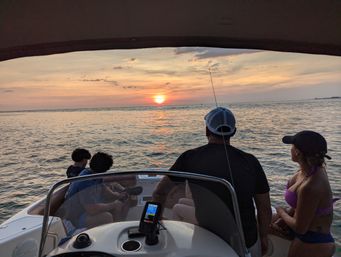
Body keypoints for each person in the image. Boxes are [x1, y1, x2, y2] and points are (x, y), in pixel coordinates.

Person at [153, 107, 272, 257]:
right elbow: (264, 208)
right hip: (247, 242)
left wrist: (155, 221)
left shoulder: (189, 158)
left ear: (206, 130)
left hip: (207, 241)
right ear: (233, 132)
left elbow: (159, 192)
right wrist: (264, 237)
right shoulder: (251, 161)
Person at [273, 131, 336, 257]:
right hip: (305, 235)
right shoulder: (309, 170)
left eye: (292, 146)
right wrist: (284, 218)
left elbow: (300, 227)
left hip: (313, 242)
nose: (290, 149)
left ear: (297, 152)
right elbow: (303, 206)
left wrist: (281, 212)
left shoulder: (311, 186)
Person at [64, 152, 129, 229]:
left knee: (119, 204)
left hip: (89, 209)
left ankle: (119, 228)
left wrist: (118, 195)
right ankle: (112, 233)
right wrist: (114, 204)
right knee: (106, 217)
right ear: (105, 169)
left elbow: (105, 190)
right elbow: (92, 209)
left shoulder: (95, 173)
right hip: (77, 217)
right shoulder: (85, 181)